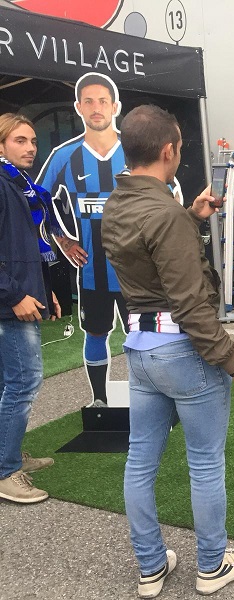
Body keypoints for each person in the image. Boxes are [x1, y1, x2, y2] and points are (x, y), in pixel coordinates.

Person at [103, 104, 234, 597]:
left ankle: (150, 567)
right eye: (179, 147)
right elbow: (190, 308)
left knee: (140, 461)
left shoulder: (118, 204)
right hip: (183, 352)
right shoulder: (164, 213)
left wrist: (190, 218)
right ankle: (211, 566)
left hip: (139, 350)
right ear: (169, 151)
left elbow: (151, 256)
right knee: (204, 463)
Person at [37, 72, 129, 408]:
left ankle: (148, 398)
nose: (96, 107)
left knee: (143, 335)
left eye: (103, 101)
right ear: (78, 107)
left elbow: (169, 195)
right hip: (93, 271)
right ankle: (100, 401)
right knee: (96, 332)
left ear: (115, 106)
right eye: (88, 101)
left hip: (137, 271)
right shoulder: (65, 155)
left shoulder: (135, 149)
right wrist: (62, 239)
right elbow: (38, 200)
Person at [0, 113, 60, 504]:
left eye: (33, 140)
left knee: (8, 384)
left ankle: (7, 453)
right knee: (23, 382)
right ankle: (6, 471)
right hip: (9, 303)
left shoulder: (18, 185)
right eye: (20, 140)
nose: (30, 148)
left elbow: (25, 246)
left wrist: (44, 291)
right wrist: (13, 295)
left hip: (21, 295)